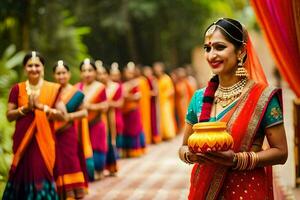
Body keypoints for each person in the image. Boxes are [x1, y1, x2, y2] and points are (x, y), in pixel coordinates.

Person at [178, 18, 288, 199]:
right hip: (204, 190)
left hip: (246, 189)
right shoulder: (199, 98)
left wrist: (238, 160)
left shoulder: (262, 97)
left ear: (241, 51)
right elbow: (183, 147)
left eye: (220, 47)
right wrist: (191, 156)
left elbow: (281, 152)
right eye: (207, 48)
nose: (211, 55)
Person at [3, 51, 67, 199]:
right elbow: (9, 116)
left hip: (44, 141)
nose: (34, 69)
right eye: (30, 65)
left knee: (41, 172)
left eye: (37, 65)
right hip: (23, 143)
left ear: (43, 67)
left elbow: (63, 115)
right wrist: (25, 109)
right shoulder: (17, 89)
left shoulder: (52, 89)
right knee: (21, 174)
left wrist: (42, 107)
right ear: (25, 68)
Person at [53, 60, 88, 199]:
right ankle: (62, 191)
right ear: (53, 75)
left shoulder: (76, 93)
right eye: (58, 73)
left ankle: (75, 191)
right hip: (55, 133)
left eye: (63, 73)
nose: (61, 76)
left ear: (69, 74)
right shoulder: (51, 91)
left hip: (68, 132)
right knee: (58, 161)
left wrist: (67, 117)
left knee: (71, 160)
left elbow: (84, 113)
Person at [76, 59, 108, 181]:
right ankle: (87, 173)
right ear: (80, 73)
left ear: (95, 72)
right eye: (84, 71)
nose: (87, 73)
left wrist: (88, 107)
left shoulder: (100, 87)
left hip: (96, 123)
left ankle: (99, 170)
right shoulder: (77, 88)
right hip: (81, 125)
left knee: (97, 149)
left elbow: (104, 107)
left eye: (90, 70)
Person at [97, 61, 123, 176]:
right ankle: (101, 167)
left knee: (111, 142)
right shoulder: (96, 88)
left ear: (108, 75)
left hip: (113, 118)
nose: (102, 76)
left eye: (104, 73)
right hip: (99, 119)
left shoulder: (115, 86)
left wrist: (108, 104)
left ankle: (112, 167)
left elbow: (120, 103)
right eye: (99, 74)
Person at [119, 62, 146, 158]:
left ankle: (135, 151)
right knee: (125, 131)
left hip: (133, 111)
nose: (129, 75)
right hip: (124, 112)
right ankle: (126, 151)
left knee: (134, 131)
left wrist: (127, 97)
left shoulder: (136, 83)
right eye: (127, 72)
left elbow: (138, 96)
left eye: (131, 73)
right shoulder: (121, 84)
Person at [153, 62, 177, 140]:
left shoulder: (166, 78)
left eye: (158, 69)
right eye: (156, 70)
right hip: (159, 102)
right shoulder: (156, 79)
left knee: (167, 117)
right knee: (160, 118)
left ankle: (169, 134)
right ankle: (162, 135)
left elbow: (171, 90)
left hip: (166, 102)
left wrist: (164, 95)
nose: (157, 71)